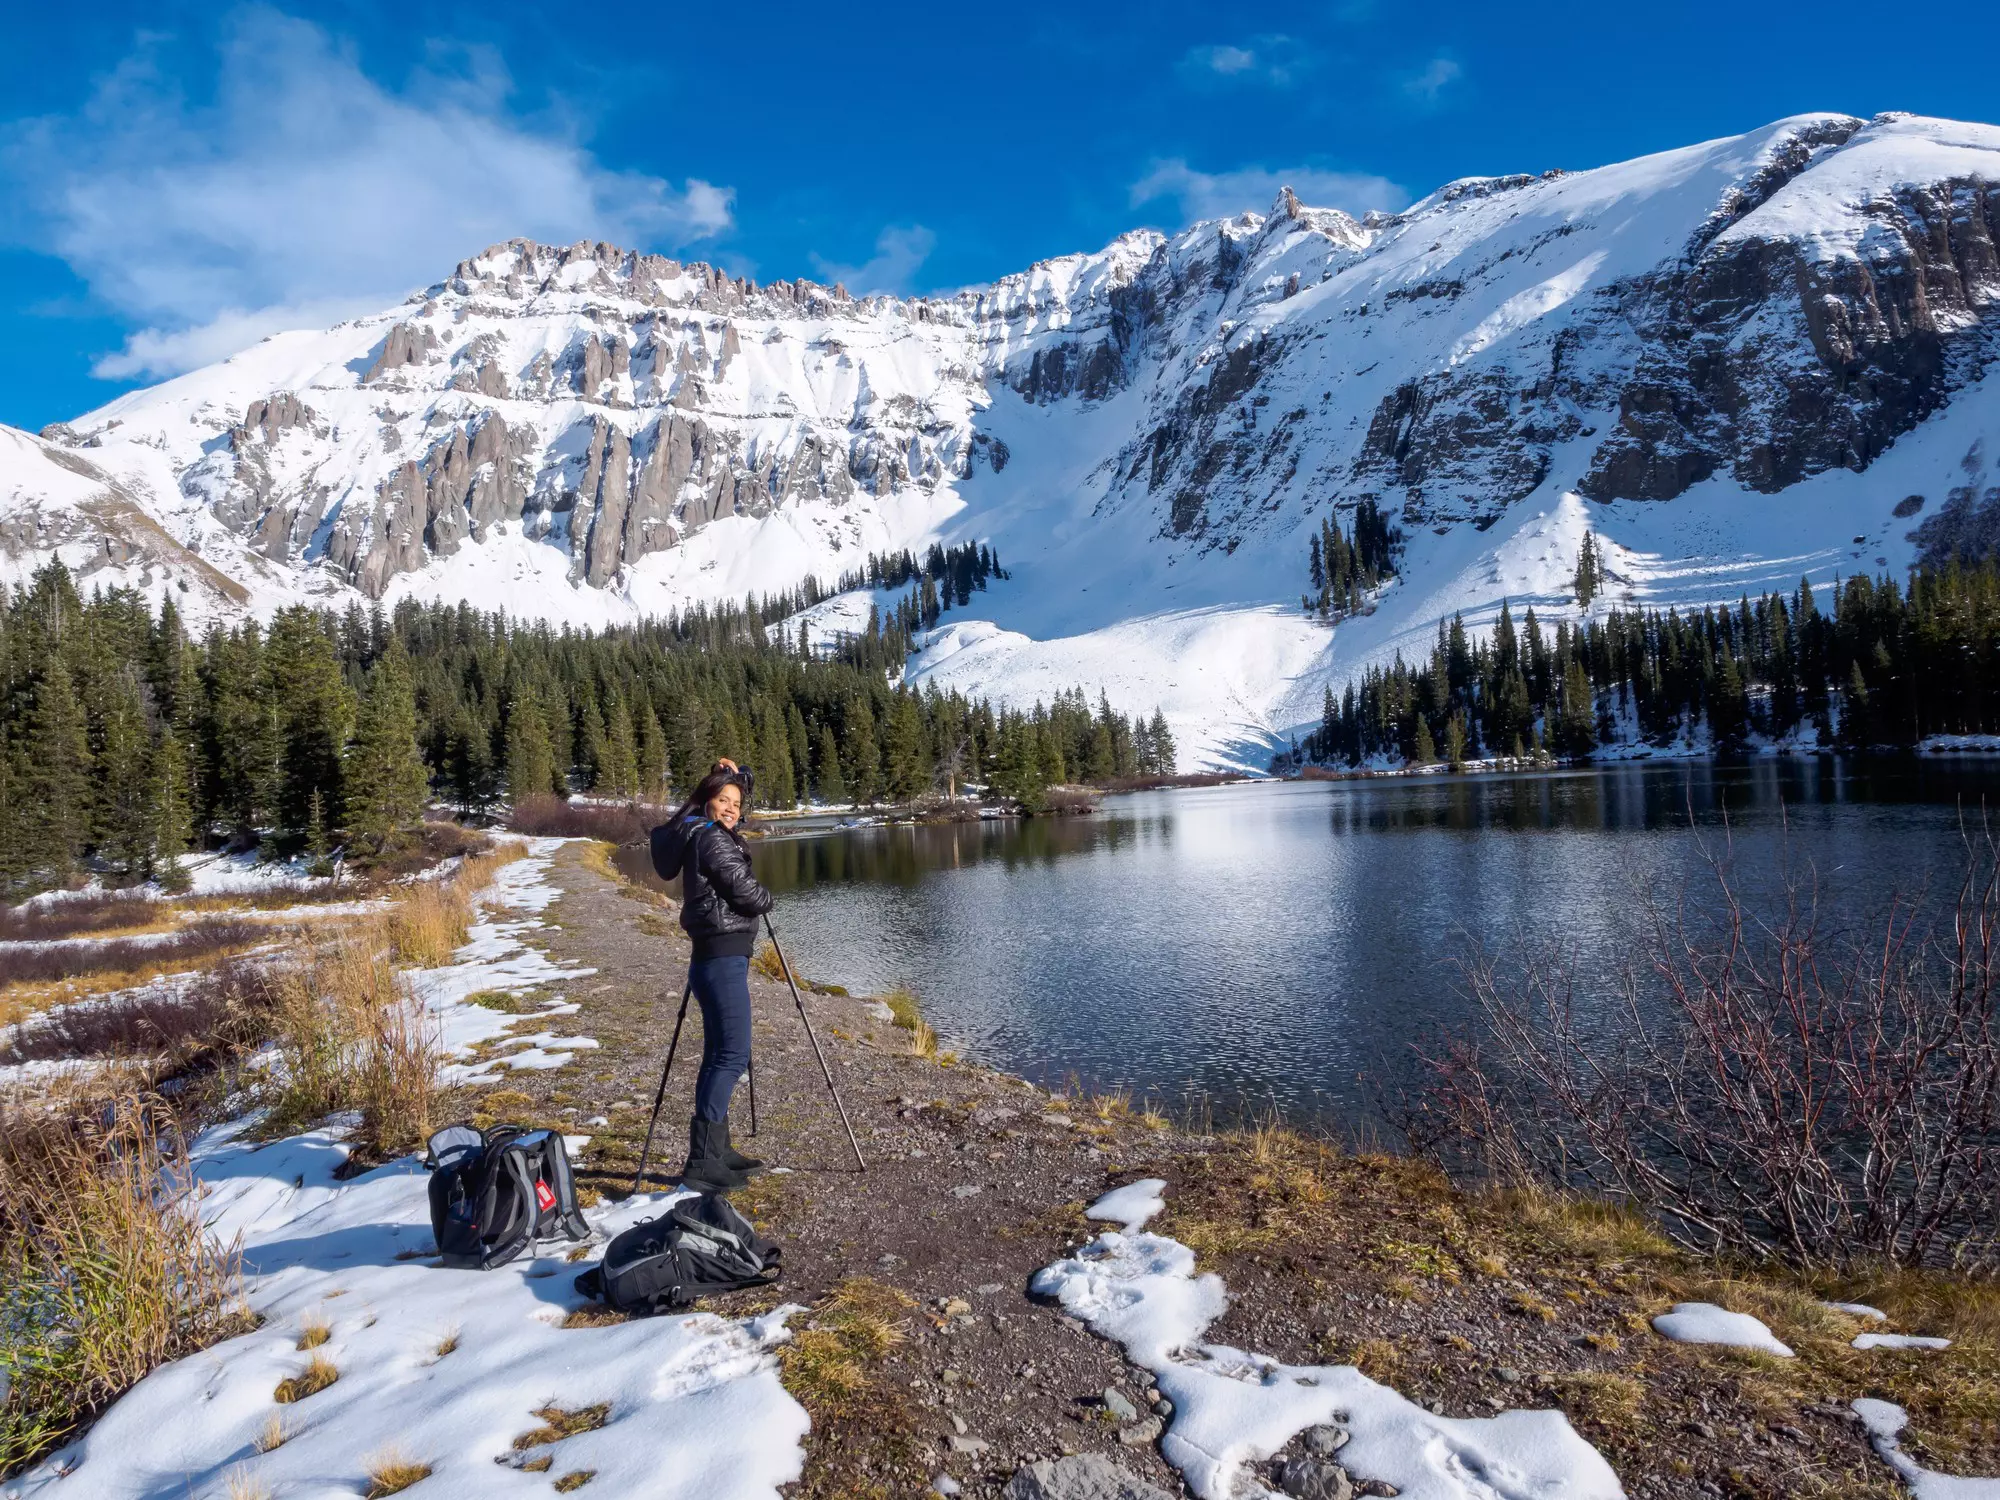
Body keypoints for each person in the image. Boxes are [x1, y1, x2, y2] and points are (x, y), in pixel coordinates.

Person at [659, 759, 772, 1193]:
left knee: (721, 1055)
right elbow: (746, 892)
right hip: (721, 959)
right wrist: (766, 898)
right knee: (731, 1055)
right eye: (722, 800)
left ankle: (717, 1150)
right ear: (706, 802)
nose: (730, 808)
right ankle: (703, 1159)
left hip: (715, 958)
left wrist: (739, 773)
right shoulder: (713, 841)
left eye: (736, 802)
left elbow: (721, 815)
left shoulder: (701, 832)